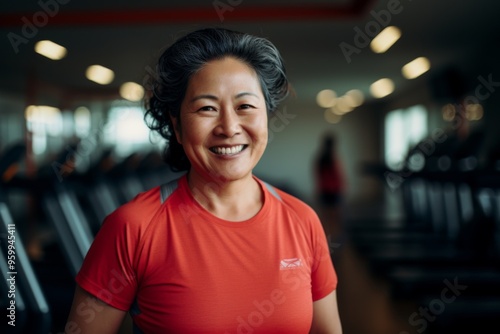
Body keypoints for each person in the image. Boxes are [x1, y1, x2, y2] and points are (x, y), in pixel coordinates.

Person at [66, 27, 342, 334]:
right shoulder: (132, 228)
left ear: (267, 116)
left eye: (245, 106)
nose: (228, 127)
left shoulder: (303, 221)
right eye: (207, 108)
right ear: (178, 125)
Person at [313, 132, 346, 237]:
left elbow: (317, 175)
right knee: (335, 217)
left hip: (324, 190)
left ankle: (327, 239)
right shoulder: (333, 158)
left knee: (326, 216)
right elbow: (338, 176)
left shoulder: (320, 158)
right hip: (334, 191)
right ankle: (335, 239)